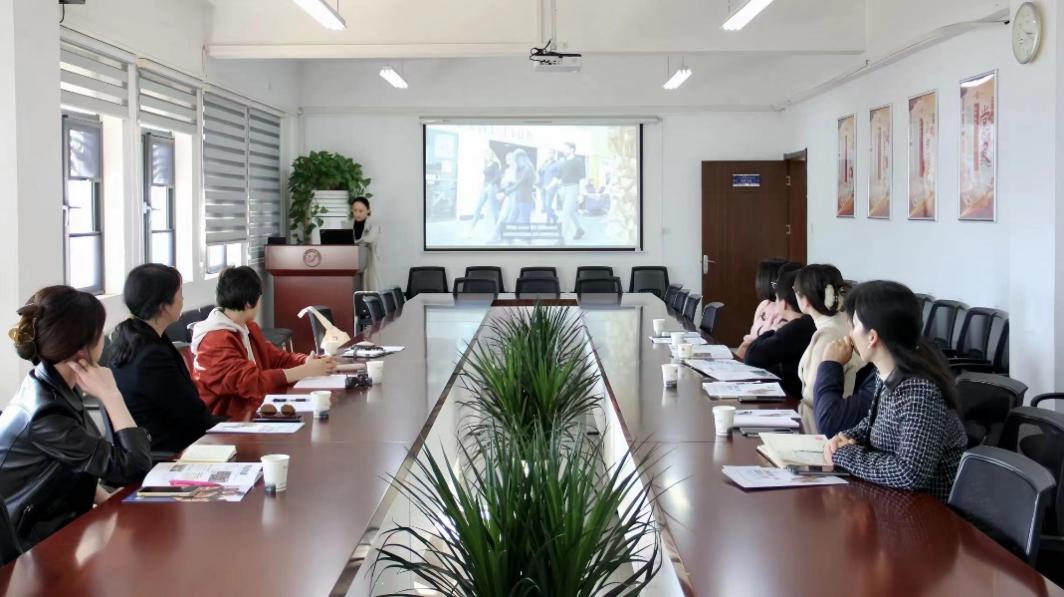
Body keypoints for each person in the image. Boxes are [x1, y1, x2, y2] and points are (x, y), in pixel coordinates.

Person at [0, 286, 151, 551]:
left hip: (59, 528)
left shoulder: (50, 385)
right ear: (82, 349)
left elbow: (79, 459)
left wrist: (108, 502)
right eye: (100, 333)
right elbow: (135, 468)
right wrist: (112, 396)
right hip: (28, 549)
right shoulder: (46, 415)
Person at [824, 281, 968, 501]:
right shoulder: (887, 374)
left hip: (925, 512)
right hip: (893, 499)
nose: (850, 334)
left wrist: (845, 454)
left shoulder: (919, 392)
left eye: (854, 325)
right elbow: (872, 424)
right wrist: (846, 437)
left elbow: (910, 473)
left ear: (872, 337)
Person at [191, 266, 335, 420]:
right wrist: (305, 370)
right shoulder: (215, 340)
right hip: (227, 421)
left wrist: (307, 361)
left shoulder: (247, 326)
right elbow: (251, 382)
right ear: (248, 303)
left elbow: (276, 358)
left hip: (253, 411)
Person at [110, 264, 221, 454]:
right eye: (179, 293)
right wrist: (230, 427)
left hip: (175, 441)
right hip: (170, 452)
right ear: (163, 306)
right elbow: (192, 415)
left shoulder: (134, 336)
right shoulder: (151, 357)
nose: (183, 299)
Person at [794, 264, 866, 433]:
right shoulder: (846, 323)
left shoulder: (828, 336)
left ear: (805, 300)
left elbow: (813, 398)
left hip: (821, 430)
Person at [743, 268, 815, 397]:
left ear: (784, 303)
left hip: (793, 399)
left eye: (777, 298)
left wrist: (774, 329)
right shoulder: (811, 322)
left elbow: (752, 356)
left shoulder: (797, 328)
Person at [813, 337, 877, 438]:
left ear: (872, 337)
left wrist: (831, 363)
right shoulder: (876, 371)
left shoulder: (885, 380)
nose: (848, 336)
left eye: (853, 328)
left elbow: (829, 423)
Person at [736, 259, 799, 359]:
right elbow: (749, 338)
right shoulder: (765, 305)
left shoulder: (787, 313)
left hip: (760, 359)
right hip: (748, 355)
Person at [351, 196, 382, 291]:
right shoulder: (348, 224)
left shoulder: (374, 223)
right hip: (351, 261)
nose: (357, 214)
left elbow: (370, 239)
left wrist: (354, 242)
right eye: (355, 210)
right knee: (353, 290)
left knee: (369, 288)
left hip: (369, 260)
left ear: (368, 210)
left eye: (361, 211)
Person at [556, 142, 586, 241]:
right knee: (571, 211)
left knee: (565, 212)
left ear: (572, 149)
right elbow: (559, 178)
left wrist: (581, 194)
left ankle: (561, 238)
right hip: (563, 189)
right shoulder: (563, 162)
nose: (563, 150)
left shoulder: (578, 161)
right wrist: (549, 187)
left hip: (573, 188)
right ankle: (579, 229)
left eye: (566, 148)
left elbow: (582, 178)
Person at [470, 152, 502, 233]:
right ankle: (470, 230)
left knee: (494, 210)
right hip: (484, 187)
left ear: (493, 155)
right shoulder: (486, 164)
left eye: (490, 155)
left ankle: (498, 232)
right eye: (487, 155)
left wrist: (490, 184)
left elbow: (497, 176)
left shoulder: (495, 164)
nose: (489, 156)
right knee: (478, 208)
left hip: (491, 187)